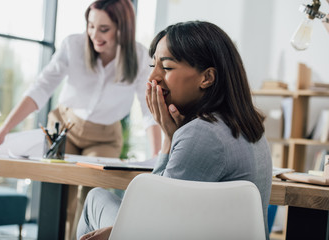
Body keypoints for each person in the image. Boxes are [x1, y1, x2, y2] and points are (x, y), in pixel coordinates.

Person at [0, 0, 161, 239]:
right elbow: (40, 89)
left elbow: (148, 111)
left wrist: (156, 161)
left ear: (123, 28)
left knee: (91, 193)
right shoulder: (73, 44)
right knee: (62, 194)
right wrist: (2, 133)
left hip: (104, 136)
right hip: (64, 126)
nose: (94, 35)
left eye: (104, 29)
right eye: (90, 26)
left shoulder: (140, 56)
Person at [76, 20, 273, 240]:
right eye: (153, 67)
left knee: (95, 199)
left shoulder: (201, 133)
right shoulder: (248, 126)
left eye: (167, 67)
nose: (152, 78)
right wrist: (171, 136)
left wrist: (169, 140)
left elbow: (152, 218)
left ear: (207, 78)